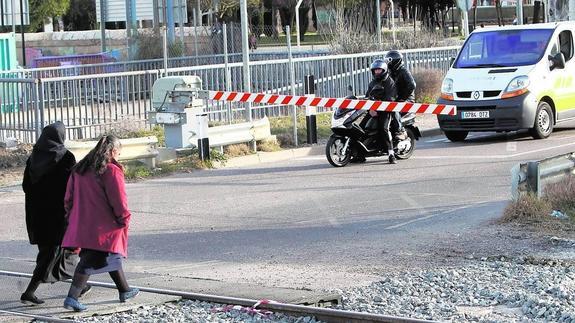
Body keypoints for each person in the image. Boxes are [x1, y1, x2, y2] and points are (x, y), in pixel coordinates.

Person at [61, 134, 138, 312]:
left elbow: (68, 199)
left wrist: (71, 218)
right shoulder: (110, 170)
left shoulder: (80, 169)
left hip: (83, 224)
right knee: (90, 261)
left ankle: (124, 290)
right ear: (113, 151)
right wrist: (124, 217)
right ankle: (71, 298)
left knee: (111, 256)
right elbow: (118, 199)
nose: (118, 157)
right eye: (118, 153)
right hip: (104, 226)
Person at [20, 122, 88, 305]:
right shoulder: (65, 157)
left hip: (36, 215)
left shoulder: (33, 157)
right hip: (58, 215)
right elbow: (71, 187)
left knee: (57, 252)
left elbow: (26, 186)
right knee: (51, 254)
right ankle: (29, 291)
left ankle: (80, 284)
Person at [365, 59, 398, 164]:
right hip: (373, 111)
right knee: (362, 127)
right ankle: (360, 153)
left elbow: (391, 99)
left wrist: (379, 106)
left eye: (379, 70)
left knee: (383, 129)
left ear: (384, 70)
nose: (377, 72)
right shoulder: (372, 83)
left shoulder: (390, 82)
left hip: (386, 111)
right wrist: (370, 109)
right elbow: (368, 97)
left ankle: (391, 154)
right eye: (375, 70)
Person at [384, 50, 416, 141]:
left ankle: (400, 131)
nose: (388, 63)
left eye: (389, 60)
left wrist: (403, 98)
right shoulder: (391, 72)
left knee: (394, 109)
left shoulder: (403, 71)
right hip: (396, 99)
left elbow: (412, 85)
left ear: (395, 60)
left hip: (407, 99)